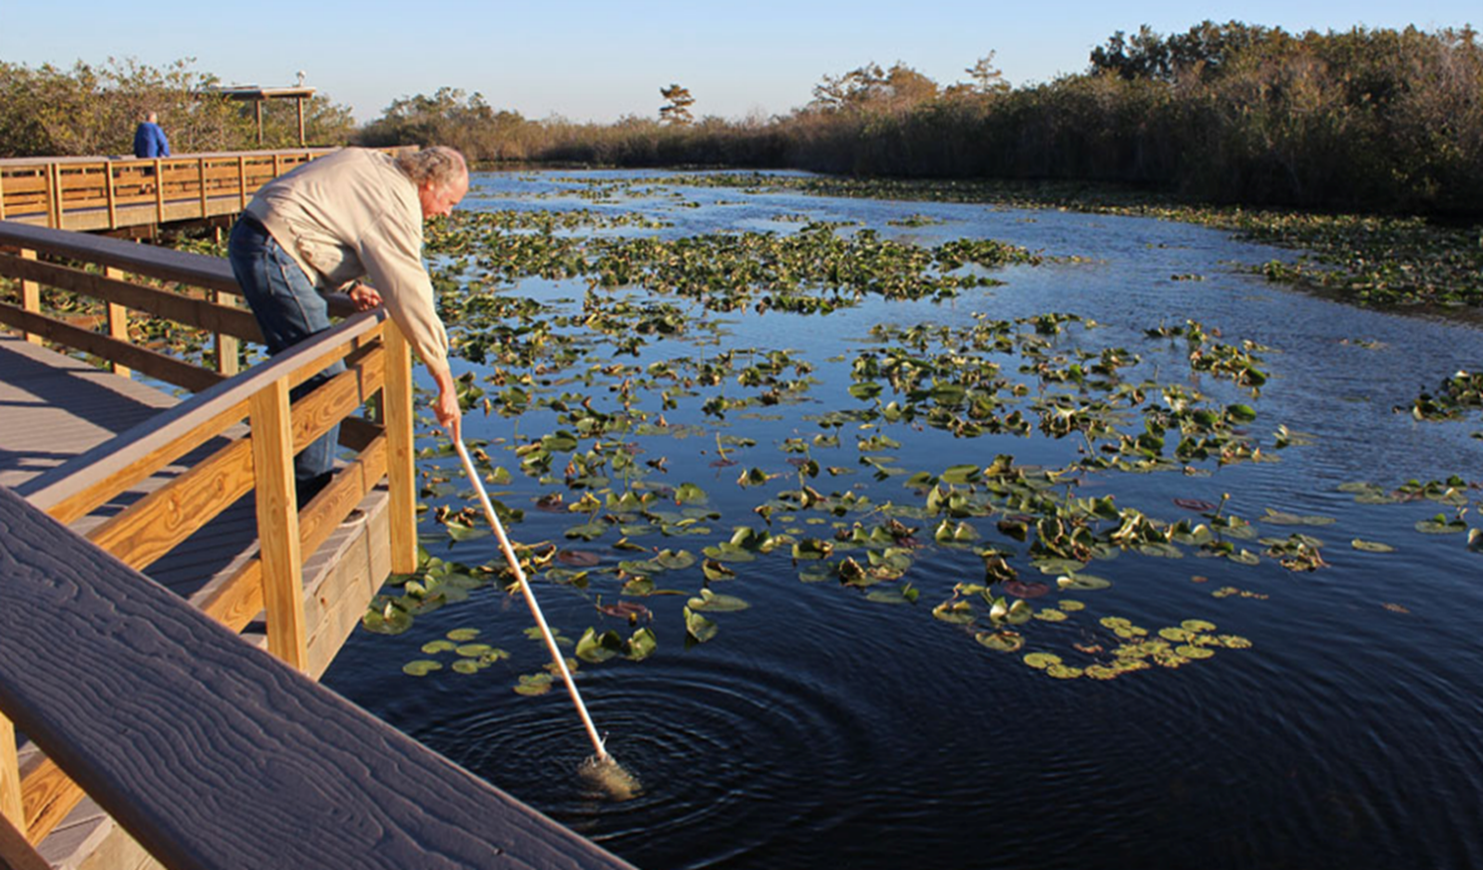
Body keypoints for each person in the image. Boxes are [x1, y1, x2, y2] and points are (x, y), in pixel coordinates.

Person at [227, 145, 467, 506]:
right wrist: (443, 380)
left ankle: (288, 483)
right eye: (450, 202)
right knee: (324, 379)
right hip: (272, 251)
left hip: (254, 240)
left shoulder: (377, 167)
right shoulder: (394, 200)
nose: (447, 213)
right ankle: (310, 504)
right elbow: (409, 290)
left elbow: (324, 218)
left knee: (302, 374)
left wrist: (350, 285)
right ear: (430, 183)